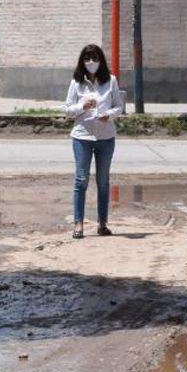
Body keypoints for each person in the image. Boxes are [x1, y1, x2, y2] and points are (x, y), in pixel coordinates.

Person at [63, 43, 123, 238]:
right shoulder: (77, 82)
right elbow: (67, 110)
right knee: (81, 180)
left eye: (95, 58)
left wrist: (108, 115)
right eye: (87, 58)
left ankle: (102, 223)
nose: (91, 62)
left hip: (105, 137)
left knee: (103, 181)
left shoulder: (110, 80)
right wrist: (82, 106)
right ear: (82, 61)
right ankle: (78, 224)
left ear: (101, 60)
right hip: (82, 136)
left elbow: (119, 107)